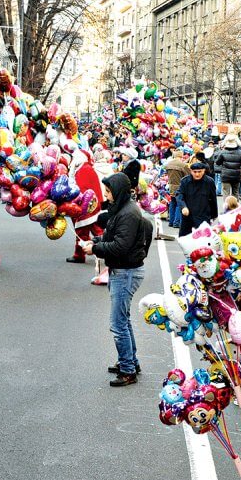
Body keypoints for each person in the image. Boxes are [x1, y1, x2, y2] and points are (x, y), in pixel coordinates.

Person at [81, 173, 153, 387]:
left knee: (118, 323)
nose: (106, 195)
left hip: (126, 271)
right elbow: (113, 236)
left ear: (118, 191)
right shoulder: (123, 210)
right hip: (123, 270)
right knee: (124, 320)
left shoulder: (128, 213)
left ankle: (128, 370)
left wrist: (95, 248)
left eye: (109, 191)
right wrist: (96, 241)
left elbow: (120, 246)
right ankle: (130, 361)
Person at [68, 151, 104, 264]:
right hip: (91, 204)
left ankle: (80, 254)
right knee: (97, 230)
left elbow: (82, 188)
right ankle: (107, 249)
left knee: (82, 231)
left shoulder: (84, 169)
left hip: (86, 206)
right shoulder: (84, 168)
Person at [178, 161, 218, 237]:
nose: (197, 174)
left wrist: (214, 215)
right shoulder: (185, 181)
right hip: (188, 214)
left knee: (203, 239)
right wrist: (183, 207)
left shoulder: (209, 182)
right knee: (184, 238)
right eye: (194, 172)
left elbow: (213, 199)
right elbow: (179, 195)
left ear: (204, 171)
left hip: (203, 214)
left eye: (199, 172)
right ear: (190, 171)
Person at [163, 149, 190, 229]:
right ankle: (176, 222)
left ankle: (171, 221)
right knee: (179, 204)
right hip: (180, 186)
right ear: (181, 156)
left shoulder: (168, 164)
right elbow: (187, 176)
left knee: (172, 203)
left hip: (171, 186)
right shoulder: (183, 165)